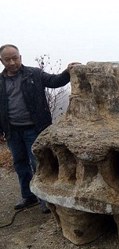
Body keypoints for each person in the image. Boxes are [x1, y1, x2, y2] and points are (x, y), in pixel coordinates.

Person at [0, 44, 79, 213]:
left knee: (40, 163)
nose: (12, 62)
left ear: (20, 57)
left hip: (35, 129)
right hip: (12, 131)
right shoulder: (0, 82)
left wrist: (67, 72)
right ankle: (28, 196)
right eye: (8, 59)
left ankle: (44, 199)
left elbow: (55, 81)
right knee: (20, 164)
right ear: (2, 61)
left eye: (15, 58)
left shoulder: (34, 74)